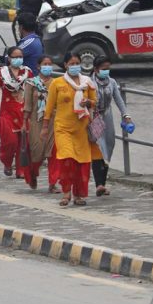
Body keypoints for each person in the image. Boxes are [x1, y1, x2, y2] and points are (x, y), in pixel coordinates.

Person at [42, 53, 97, 207]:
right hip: (62, 128)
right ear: (65, 65)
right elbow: (49, 106)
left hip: (82, 129)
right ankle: (66, 193)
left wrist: (88, 102)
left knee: (81, 162)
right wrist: (45, 127)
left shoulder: (87, 82)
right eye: (71, 63)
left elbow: (95, 101)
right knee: (67, 159)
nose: (74, 66)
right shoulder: (57, 83)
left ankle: (79, 195)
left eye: (77, 63)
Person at [91, 56, 131, 197]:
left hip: (107, 115)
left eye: (108, 69)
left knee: (109, 146)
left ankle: (103, 182)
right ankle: (98, 184)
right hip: (94, 117)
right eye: (103, 69)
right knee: (99, 148)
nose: (106, 71)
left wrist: (126, 115)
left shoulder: (112, 82)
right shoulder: (89, 82)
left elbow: (118, 100)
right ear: (96, 69)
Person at [0, 46, 33, 178]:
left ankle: (20, 170)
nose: (18, 59)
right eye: (15, 57)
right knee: (9, 142)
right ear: (9, 58)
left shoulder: (28, 73)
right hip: (7, 113)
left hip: (24, 113)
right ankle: (7, 162)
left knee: (24, 143)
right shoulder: (1, 73)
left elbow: (34, 92)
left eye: (20, 57)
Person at [21, 55, 57, 191]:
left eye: (50, 64)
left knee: (53, 153)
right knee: (37, 152)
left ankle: (53, 183)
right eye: (45, 64)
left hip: (53, 121)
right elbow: (27, 105)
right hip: (36, 121)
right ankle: (33, 174)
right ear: (38, 66)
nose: (48, 67)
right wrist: (24, 122)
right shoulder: (30, 83)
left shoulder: (56, 83)